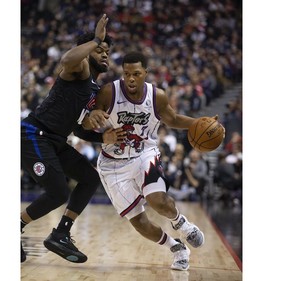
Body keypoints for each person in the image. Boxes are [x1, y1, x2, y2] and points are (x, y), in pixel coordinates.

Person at [89, 52, 223, 270]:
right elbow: (88, 122)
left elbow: (173, 119)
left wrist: (200, 123)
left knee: (157, 200)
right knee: (139, 223)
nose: (131, 78)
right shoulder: (108, 92)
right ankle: (177, 247)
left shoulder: (156, 96)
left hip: (144, 154)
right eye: (126, 74)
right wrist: (92, 119)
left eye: (136, 74)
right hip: (112, 164)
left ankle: (181, 224)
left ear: (146, 74)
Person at [20, 14, 126, 263]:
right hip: (34, 134)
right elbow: (67, 59)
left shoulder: (93, 89)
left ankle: (61, 233)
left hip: (56, 140)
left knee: (90, 178)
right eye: (100, 49)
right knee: (58, 192)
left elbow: (79, 130)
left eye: (107, 52)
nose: (104, 54)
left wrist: (104, 137)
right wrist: (96, 38)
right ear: (87, 51)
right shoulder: (80, 68)